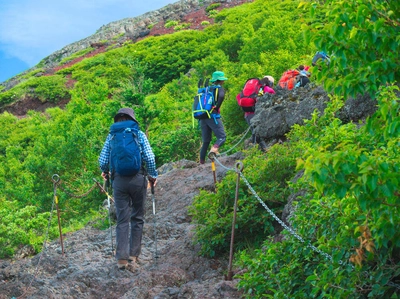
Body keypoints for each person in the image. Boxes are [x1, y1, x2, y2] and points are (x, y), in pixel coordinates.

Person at [98, 107, 158, 270]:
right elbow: (150, 157)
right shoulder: (138, 134)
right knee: (137, 217)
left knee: (122, 219)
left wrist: (106, 172)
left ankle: (121, 259)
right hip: (138, 179)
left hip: (119, 181)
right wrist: (153, 176)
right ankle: (133, 256)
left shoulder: (111, 136)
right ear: (132, 119)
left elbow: (102, 160)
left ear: (117, 120)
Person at [237, 75, 275, 152]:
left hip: (247, 114)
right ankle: (264, 151)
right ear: (270, 83)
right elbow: (274, 95)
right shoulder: (266, 89)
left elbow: (238, 97)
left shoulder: (254, 89)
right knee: (258, 134)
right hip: (257, 114)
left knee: (255, 133)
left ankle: (258, 151)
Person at [199, 71, 228, 164]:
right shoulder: (218, 88)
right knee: (222, 137)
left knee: (206, 141)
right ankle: (213, 150)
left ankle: (201, 162)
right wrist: (217, 106)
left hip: (202, 116)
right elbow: (222, 96)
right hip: (213, 116)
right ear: (220, 80)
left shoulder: (207, 88)